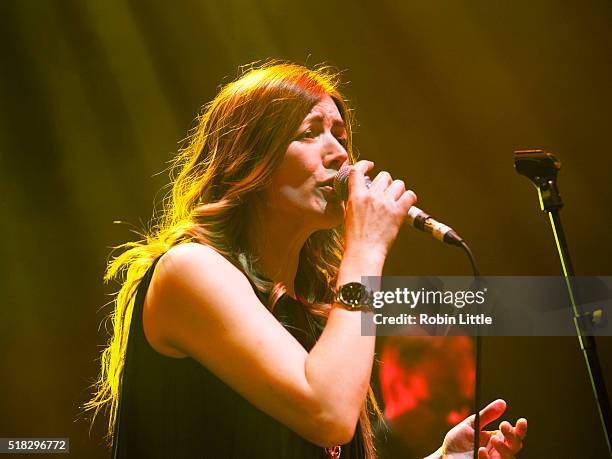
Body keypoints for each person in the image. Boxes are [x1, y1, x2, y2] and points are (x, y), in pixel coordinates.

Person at [84, 61, 527, 458]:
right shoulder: (189, 270)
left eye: (341, 135)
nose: (339, 155)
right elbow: (327, 415)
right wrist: (367, 248)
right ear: (250, 160)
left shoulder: (313, 312)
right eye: (310, 133)